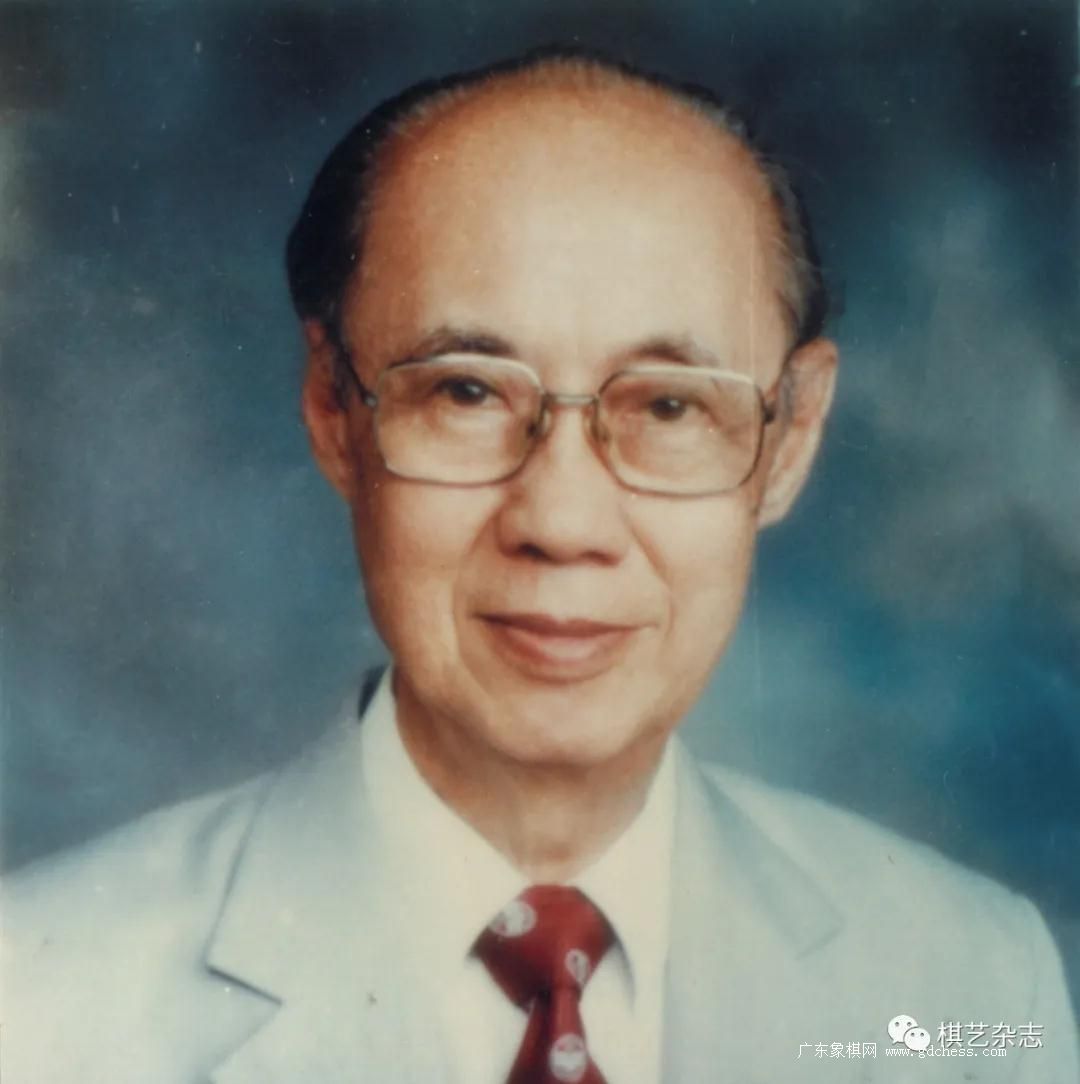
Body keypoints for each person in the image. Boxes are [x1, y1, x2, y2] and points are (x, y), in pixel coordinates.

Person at [2, 48, 1077, 1084]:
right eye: (466, 390)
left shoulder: (972, 989)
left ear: (789, 441)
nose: (562, 521)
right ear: (333, 409)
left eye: (669, 405)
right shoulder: (37, 1001)